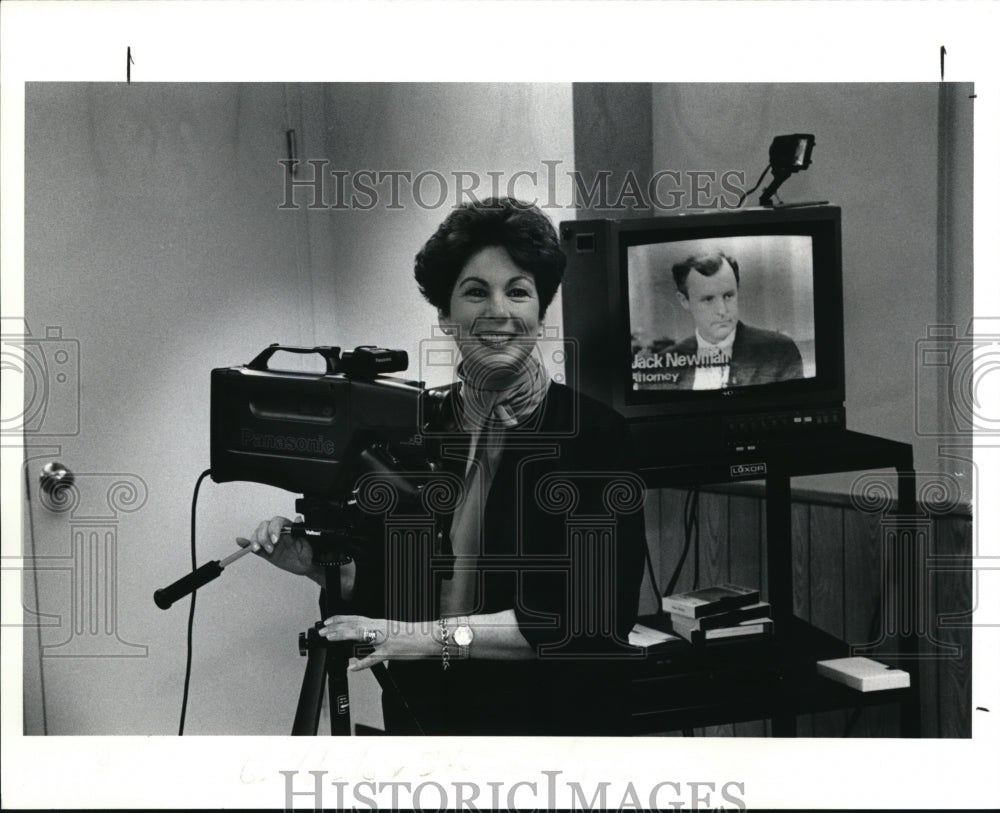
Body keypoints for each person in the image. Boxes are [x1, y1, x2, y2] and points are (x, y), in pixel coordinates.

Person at [238, 198, 646, 735]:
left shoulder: (597, 438)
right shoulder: (411, 428)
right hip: (429, 721)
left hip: (552, 731)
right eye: (476, 291)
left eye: (518, 291)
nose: (498, 311)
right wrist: (316, 562)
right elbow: (390, 585)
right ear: (446, 315)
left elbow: (585, 623)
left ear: (541, 312)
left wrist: (426, 639)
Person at [668, 251, 803, 389]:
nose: (722, 311)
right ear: (684, 300)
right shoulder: (665, 363)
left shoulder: (779, 351)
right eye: (708, 299)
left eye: (728, 296)